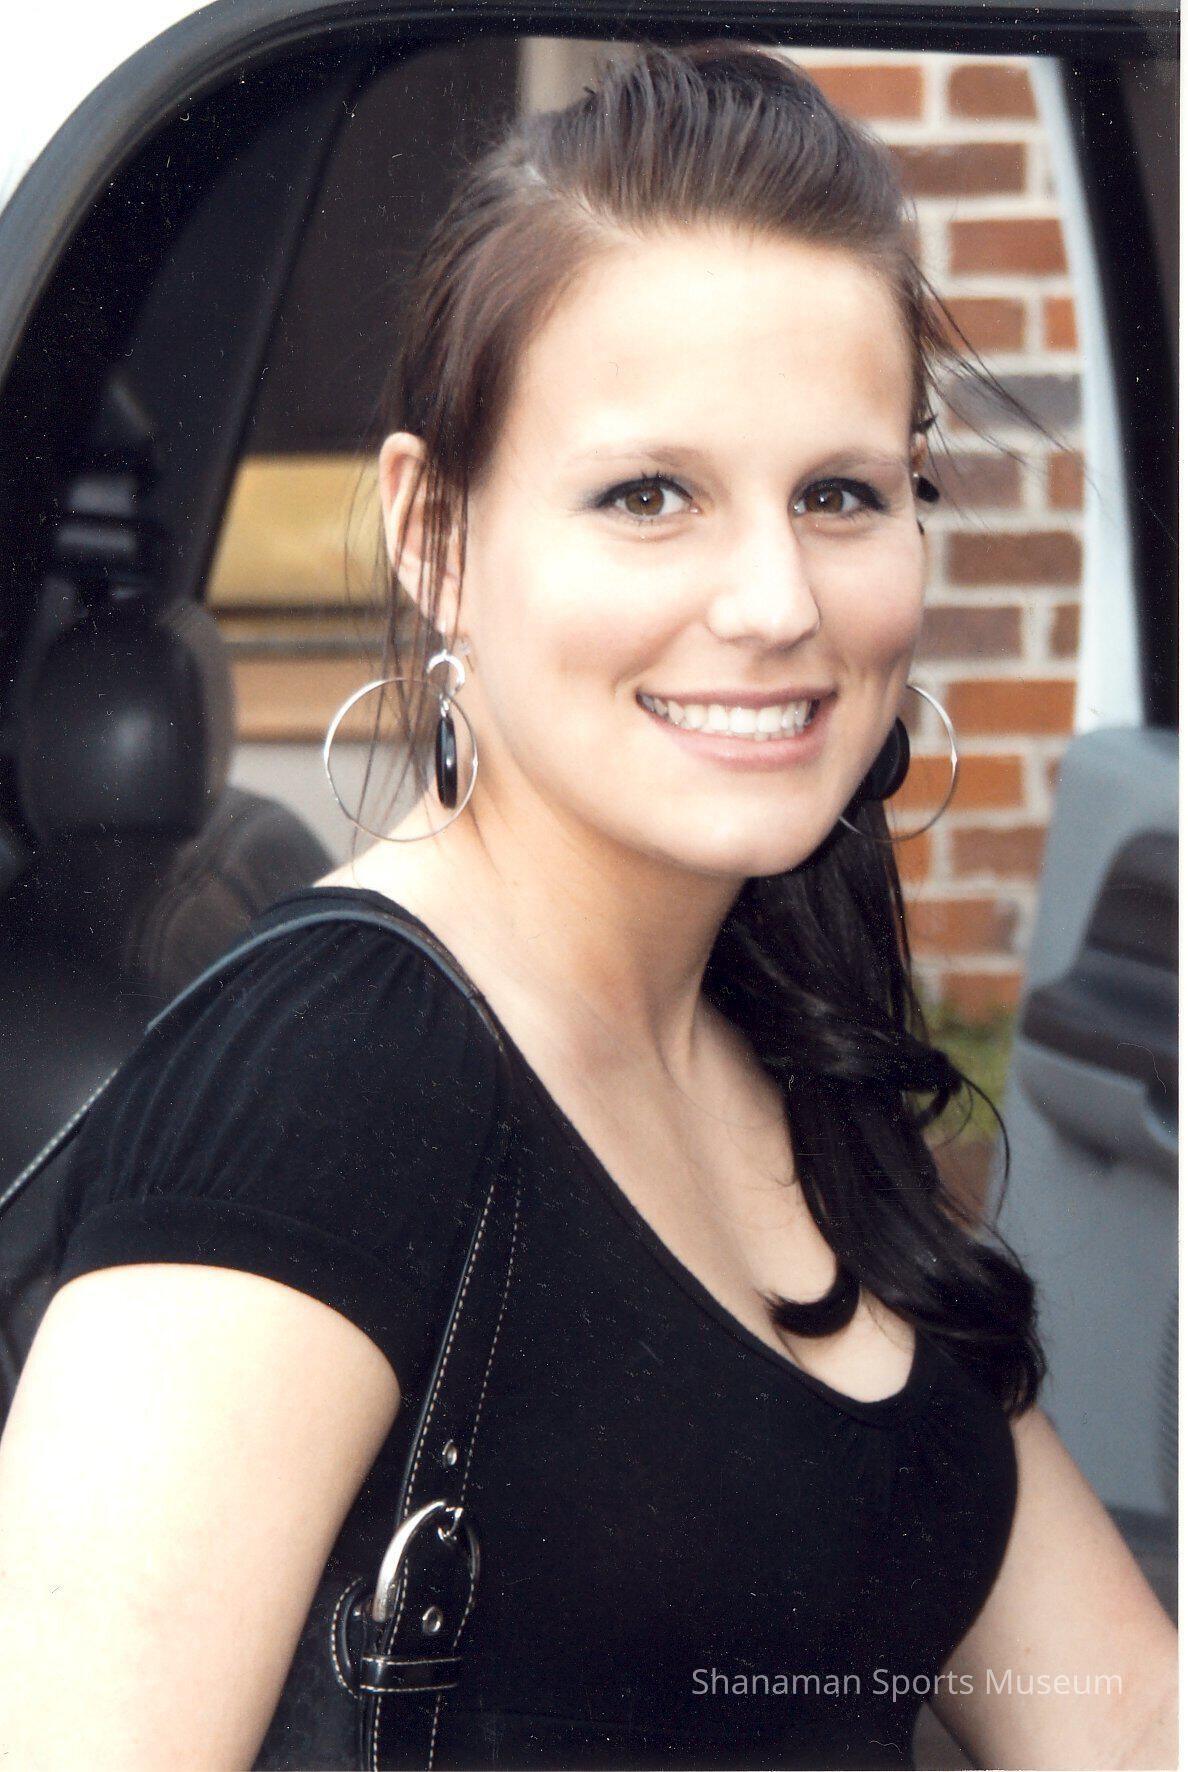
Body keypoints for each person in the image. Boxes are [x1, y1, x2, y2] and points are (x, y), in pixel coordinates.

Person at [0, 41, 1176, 1772]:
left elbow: (1121, 1712)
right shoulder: (323, 1079)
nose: (775, 600)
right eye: (649, 495)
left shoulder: (786, 1036)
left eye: (840, 494)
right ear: (434, 535)